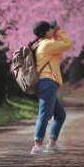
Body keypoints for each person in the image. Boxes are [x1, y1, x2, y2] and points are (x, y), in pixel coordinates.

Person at [30, 20, 73, 154]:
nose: (52, 31)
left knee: (60, 115)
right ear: (44, 33)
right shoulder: (46, 44)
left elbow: (59, 51)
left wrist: (54, 36)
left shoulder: (40, 44)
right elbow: (68, 44)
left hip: (46, 83)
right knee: (44, 115)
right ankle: (37, 145)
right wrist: (60, 32)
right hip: (47, 83)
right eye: (50, 29)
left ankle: (51, 145)